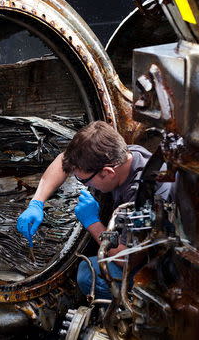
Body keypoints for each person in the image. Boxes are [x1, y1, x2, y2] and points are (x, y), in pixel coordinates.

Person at [16, 121, 170, 299]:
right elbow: (63, 160)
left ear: (107, 172)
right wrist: (37, 202)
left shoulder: (146, 197)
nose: (84, 185)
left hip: (159, 264)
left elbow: (127, 259)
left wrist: (93, 223)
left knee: (89, 275)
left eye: (83, 181)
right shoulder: (120, 154)